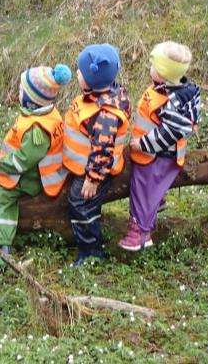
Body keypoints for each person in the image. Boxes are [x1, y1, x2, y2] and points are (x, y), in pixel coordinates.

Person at [0, 64, 72, 275]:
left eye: (21, 90)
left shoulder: (37, 129)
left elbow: (24, 161)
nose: (18, 93)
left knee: (1, 197)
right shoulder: (47, 114)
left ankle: (0, 249)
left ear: (31, 98)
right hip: (37, 171)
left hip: (33, 176)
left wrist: (1, 161)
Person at [118, 42, 200, 250]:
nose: (149, 68)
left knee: (142, 189)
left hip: (158, 156)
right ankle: (157, 201)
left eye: (153, 66)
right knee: (151, 188)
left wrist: (144, 144)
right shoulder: (171, 89)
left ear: (162, 74)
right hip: (158, 153)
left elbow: (171, 132)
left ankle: (140, 233)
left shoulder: (170, 100)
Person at [64, 44, 131, 267]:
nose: (76, 73)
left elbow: (103, 150)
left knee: (81, 203)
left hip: (93, 170)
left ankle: (91, 251)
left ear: (90, 80)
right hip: (81, 164)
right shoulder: (99, 94)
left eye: (80, 72)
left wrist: (93, 178)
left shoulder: (105, 115)